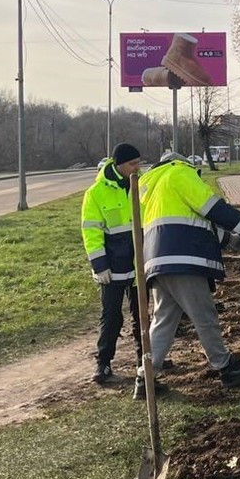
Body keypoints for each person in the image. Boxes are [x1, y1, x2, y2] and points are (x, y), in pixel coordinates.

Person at [134, 152, 240, 398]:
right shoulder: (180, 173)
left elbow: (196, 223)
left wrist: (230, 240)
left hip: (158, 262)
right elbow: (212, 208)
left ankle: (145, 377)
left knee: (164, 319)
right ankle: (225, 367)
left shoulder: (154, 185)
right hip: (184, 260)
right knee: (204, 315)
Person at [81, 143, 143, 384]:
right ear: (119, 165)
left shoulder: (141, 186)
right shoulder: (96, 193)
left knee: (141, 316)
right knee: (111, 316)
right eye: (132, 164)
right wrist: (100, 265)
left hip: (138, 263)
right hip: (112, 268)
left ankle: (144, 360)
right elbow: (91, 232)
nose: (137, 168)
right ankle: (103, 363)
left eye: (139, 163)